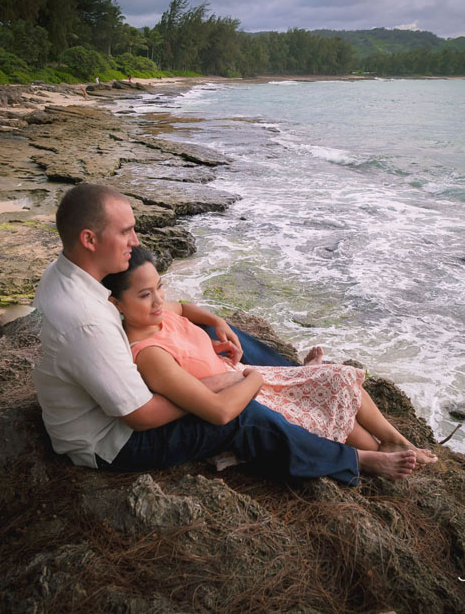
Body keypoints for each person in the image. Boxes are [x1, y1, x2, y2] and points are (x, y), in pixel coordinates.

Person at [32, 183, 420, 485]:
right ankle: (355, 461)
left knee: (216, 338)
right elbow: (141, 417)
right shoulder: (87, 321)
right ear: (89, 240)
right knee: (242, 415)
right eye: (127, 231)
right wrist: (224, 384)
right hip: (110, 441)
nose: (136, 241)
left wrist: (217, 325)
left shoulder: (74, 273)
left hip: (117, 400)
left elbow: (174, 310)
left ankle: (292, 376)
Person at [103, 245, 439, 467]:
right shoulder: (149, 355)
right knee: (330, 393)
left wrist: (218, 322)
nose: (159, 301)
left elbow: (185, 308)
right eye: (145, 295)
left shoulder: (161, 315)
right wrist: (256, 378)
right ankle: (377, 453)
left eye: (160, 287)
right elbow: (218, 411)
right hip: (242, 392)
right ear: (117, 303)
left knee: (335, 380)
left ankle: (394, 440)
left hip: (242, 376)